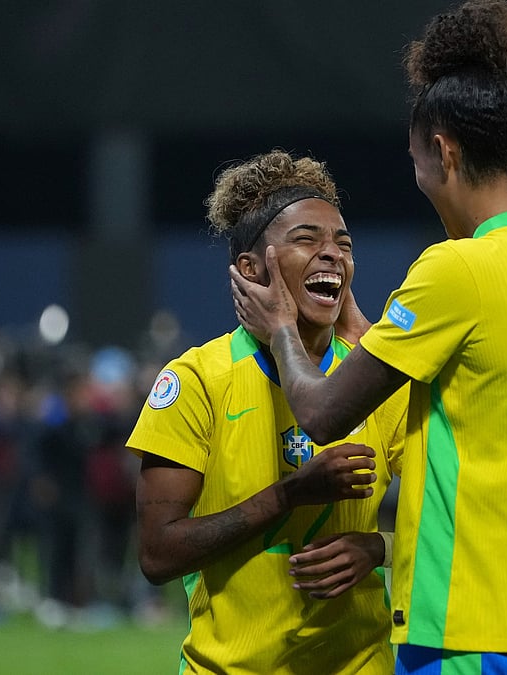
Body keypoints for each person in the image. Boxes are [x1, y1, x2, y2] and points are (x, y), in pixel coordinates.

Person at [230, 3, 507, 672]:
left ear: (444, 152)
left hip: (466, 618)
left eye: (417, 162)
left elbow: (321, 413)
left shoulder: (456, 269)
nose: (420, 180)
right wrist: (363, 329)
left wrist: (283, 327)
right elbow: (483, 371)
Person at [126, 150, 408, 674]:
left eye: (343, 244)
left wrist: (377, 547)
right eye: (307, 239)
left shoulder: (373, 378)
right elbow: (158, 555)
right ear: (250, 270)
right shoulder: (197, 381)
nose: (332, 254)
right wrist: (288, 495)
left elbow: (451, 517)